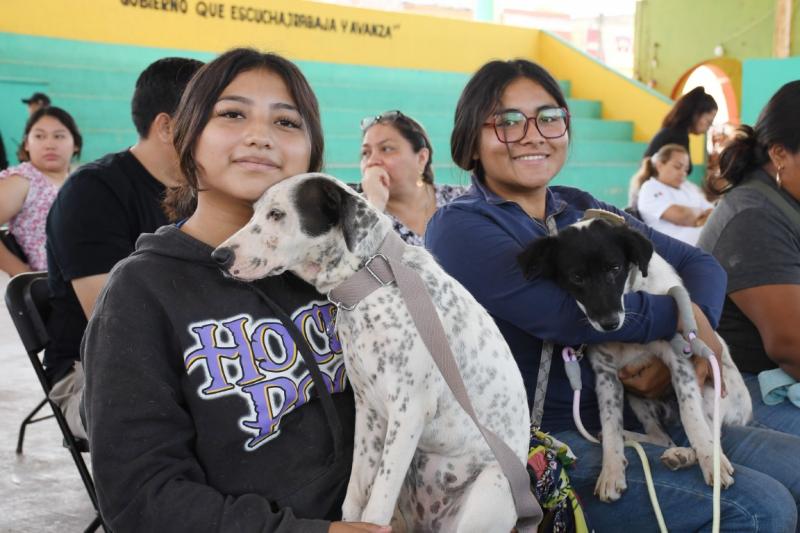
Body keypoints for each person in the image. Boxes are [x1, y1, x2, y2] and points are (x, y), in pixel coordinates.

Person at [425, 58, 800, 531]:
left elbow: (700, 264)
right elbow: (568, 316)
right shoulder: (461, 227)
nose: (533, 134)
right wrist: (684, 317)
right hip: (554, 438)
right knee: (761, 509)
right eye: (507, 122)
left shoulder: (582, 206)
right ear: (470, 140)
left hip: (653, 411)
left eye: (549, 117)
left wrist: (695, 324)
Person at [82, 47, 390, 533]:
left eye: (287, 123)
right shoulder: (143, 291)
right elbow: (140, 498)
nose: (260, 136)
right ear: (185, 137)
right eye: (231, 113)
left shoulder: (340, 274)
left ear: (312, 153)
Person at [44, 57, 203, 441]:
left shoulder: (204, 195)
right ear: (167, 127)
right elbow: (116, 327)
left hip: (191, 357)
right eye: (217, 117)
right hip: (91, 375)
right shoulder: (93, 192)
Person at [698, 80, 800, 438]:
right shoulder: (754, 216)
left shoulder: (787, 202)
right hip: (742, 386)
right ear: (780, 154)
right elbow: (792, 346)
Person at [360, 110, 467, 245]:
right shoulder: (354, 215)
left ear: (421, 158)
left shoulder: (461, 200)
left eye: (386, 149)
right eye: (365, 153)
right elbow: (357, 259)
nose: (371, 161)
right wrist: (375, 203)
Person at [0, 106, 81, 275]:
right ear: (27, 144)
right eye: (39, 136)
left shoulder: (81, 180)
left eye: (59, 136)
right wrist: (23, 274)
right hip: (46, 290)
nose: (49, 145)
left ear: (75, 144)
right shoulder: (22, 180)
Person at [632, 143, 714, 245]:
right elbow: (682, 216)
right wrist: (701, 213)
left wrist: (696, 217)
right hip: (674, 250)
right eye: (677, 167)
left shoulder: (688, 186)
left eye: (685, 169)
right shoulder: (650, 188)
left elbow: (713, 213)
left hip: (701, 242)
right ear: (659, 165)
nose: (682, 173)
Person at [644, 86, 718, 175]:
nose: (709, 126)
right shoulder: (678, 136)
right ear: (695, 114)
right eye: (709, 121)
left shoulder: (673, 132)